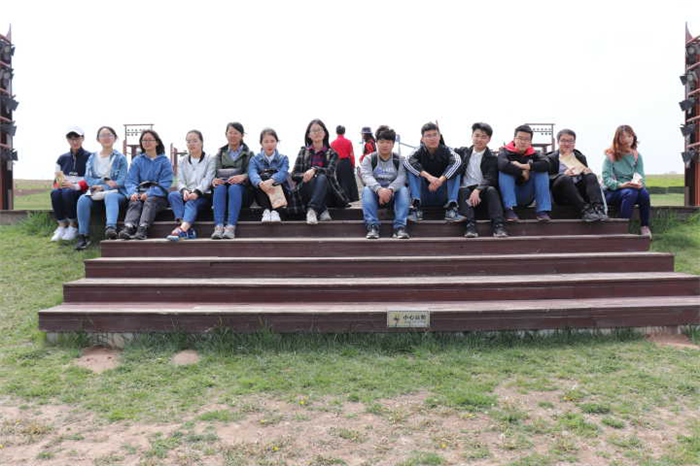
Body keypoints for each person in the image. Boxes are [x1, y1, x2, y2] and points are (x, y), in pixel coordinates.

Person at [74, 126, 128, 249]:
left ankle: (110, 229)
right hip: (96, 190)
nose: (106, 138)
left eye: (109, 135)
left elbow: (121, 180)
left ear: (115, 138)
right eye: (103, 135)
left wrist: (104, 187)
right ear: (98, 139)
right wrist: (102, 182)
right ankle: (83, 236)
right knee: (82, 199)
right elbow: (88, 178)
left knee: (111, 196)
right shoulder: (92, 157)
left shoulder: (120, 158)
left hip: (116, 191)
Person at [288, 119, 349, 224]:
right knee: (314, 180)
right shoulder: (303, 151)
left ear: (325, 133)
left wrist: (314, 170)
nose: (317, 133)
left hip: (328, 193)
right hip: (305, 189)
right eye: (314, 130)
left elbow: (330, 172)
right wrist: (304, 175)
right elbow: (294, 174)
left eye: (320, 130)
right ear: (309, 135)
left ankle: (312, 210)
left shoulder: (332, 153)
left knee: (322, 177)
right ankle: (322, 210)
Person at [454, 122, 507, 238]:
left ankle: (498, 226)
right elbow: (444, 151)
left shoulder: (492, 158)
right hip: (467, 199)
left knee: (491, 190)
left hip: (482, 196)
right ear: (472, 136)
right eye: (477, 135)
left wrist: (478, 190)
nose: (479, 139)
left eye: (483, 137)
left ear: (489, 139)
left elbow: (490, 177)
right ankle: (470, 226)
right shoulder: (463, 152)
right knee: (462, 190)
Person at [118, 130, 173, 240]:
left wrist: (149, 193)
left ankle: (143, 229)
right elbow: (130, 180)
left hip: (158, 196)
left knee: (150, 200)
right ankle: (129, 227)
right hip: (140, 193)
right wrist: (133, 193)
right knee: (135, 202)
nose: (147, 142)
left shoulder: (165, 161)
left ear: (157, 142)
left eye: (150, 140)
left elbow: (165, 183)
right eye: (144, 140)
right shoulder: (137, 160)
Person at [403, 122, 463, 222]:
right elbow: (407, 161)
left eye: (435, 135)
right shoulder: (417, 151)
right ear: (422, 139)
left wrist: (440, 180)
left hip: (442, 194)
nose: (432, 138)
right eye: (428, 135)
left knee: (455, 169)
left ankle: (452, 208)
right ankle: (416, 208)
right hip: (423, 194)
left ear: (439, 137)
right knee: (412, 169)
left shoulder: (448, 151)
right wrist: (429, 177)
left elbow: (458, 162)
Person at [360, 125, 410, 239]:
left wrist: (390, 190)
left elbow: (402, 177)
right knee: (366, 190)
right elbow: (366, 176)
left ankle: (399, 228)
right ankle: (373, 227)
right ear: (376, 143)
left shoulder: (400, 160)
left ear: (393, 144)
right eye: (381, 142)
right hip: (375, 196)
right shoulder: (369, 159)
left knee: (403, 190)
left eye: (388, 142)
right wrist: (379, 190)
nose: (385, 145)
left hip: (394, 196)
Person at [547, 129, 607, 222]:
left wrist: (587, 172)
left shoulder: (580, 157)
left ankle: (598, 208)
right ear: (558, 142)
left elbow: (586, 178)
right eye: (563, 140)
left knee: (591, 176)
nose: (567, 144)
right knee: (565, 178)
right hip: (560, 192)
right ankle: (585, 210)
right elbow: (546, 178)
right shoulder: (550, 158)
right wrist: (562, 174)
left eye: (570, 141)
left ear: (574, 143)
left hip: (578, 191)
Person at [602, 125, 651, 237]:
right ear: (617, 139)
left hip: (632, 188)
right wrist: (621, 185)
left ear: (633, 137)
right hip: (612, 192)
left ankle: (644, 226)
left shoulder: (637, 156)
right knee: (630, 193)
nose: (627, 139)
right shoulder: (610, 156)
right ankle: (621, 229)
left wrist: (640, 184)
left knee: (644, 194)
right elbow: (606, 179)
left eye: (629, 136)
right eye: (623, 137)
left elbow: (640, 175)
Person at [166, 130, 215, 241]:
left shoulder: (210, 159)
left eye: (195, 141)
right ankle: (185, 228)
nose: (191, 144)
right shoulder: (182, 160)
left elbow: (208, 179)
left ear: (201, 142)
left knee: (191, 202)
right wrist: (184, 190)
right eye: (188, 141)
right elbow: (179, 180)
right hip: (187, 194)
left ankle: (182, 230)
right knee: (173, 195)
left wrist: (196, 192)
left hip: (203, 196)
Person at [497, 124, 552, 222]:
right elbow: (502, 165)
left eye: (526, 139)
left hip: (527, 194)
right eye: (520, 138)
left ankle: (542, 211)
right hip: (510, 193)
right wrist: (521, 172)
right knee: (504, 172)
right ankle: (509, 209)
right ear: (514, 139)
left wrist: (525, 166)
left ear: (530, 142)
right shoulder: (504, 151)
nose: (523, 142)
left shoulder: (535, 154)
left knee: (542, 172)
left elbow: (547, 164)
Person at [210, 122, 255, 239]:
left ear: (242, 135)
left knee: (234, 188)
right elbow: (215, 173)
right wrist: (215, 180)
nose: (232, 135)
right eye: (230, 133)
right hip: (224, 191)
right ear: (226, 134)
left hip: (242, 192)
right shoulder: (220, 153)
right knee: (219, 188)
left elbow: (252, 173)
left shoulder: (249, 154)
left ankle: (230, 227)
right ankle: (218, 226)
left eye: (236, 133)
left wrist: (243, 177)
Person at [50, 127, 90, 242]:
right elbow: (57, 179)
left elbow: (90, 178)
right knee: (55, 193)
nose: (74, 141)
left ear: (83, 138)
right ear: (67, 140)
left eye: (77, 138)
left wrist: (74, 186)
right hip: (65, 189)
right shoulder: (62, 158)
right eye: (71, 139)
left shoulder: (90, 157)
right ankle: (62, 226)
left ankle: (73, 226)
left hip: (81, 189)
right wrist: (60, 185)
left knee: (68, 192)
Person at [248, 128, 291, 223]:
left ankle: (276, 212)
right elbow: (252, 173)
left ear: (276, 142)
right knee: (262, 178)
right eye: (266, 141)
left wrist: (271, 180)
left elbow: (283, 173)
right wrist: (260, 183)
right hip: (261, 194)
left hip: (281, 195)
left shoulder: (283, 158)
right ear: (261, 143)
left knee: (272, 177)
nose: (269, 144)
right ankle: (266, 211)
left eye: (272, 141)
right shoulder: (254, 159)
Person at [330, 125, 359, 202]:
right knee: (350, 180)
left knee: (340, 180)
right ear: (344, 132)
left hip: (338, 163)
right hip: (347, 162)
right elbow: (351, 154)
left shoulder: (332, 143)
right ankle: (353, 198)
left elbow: (331, 156)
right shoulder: (348, 142)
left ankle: (343, 198)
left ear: (336, 132)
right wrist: (353, 164)